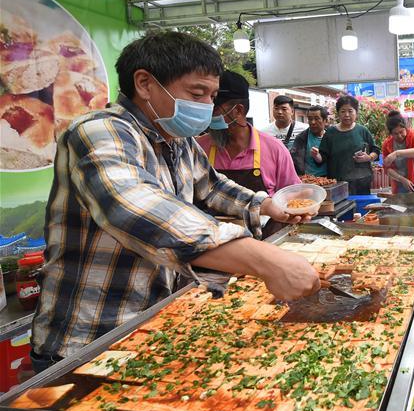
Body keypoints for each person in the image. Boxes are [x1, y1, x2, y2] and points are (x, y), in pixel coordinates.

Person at [31, 32, 320, 373]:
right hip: (89, 340)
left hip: (151, 328)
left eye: (212, 96)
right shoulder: (99, 132)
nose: (207, 106)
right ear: (144, 83)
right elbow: (139, 209)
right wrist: (266, 260)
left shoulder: (177, 141)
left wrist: (267, 205)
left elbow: (212, 186)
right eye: (197, 93)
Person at [197, 71, 299, 197]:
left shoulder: (275, 149)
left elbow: (291, 197)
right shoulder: (197, 148)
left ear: (239, 110)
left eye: (215, 109)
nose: (208, 115)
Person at [312, 94, 378, 195]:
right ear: (338, 113)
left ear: (356, 112)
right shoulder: (330, 132)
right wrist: (316, 155)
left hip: (361, 182)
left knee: (362, 208)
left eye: (350, 111)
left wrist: (368, 157)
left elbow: (376, 150)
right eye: (343, 111)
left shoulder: (362, 130)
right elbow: (322, 157)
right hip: (337, 183)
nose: (347, 114)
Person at [381, 110, 414, 193]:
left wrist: (396, 153)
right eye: (395, 133)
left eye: (401, 132)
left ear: (405, 127)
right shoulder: (386, 144)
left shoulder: (413, 135)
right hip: (399, 184)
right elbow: (387, 168)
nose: (399, 136)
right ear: (390, 133)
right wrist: (402, 179)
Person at [291, 105, 329, 177]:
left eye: (317, 119)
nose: (313, 122)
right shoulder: (301, 138)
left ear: (326, 121)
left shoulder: (331, 137)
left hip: (329, 179)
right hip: (308, 180)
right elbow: (296, 162)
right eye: (310, 119)